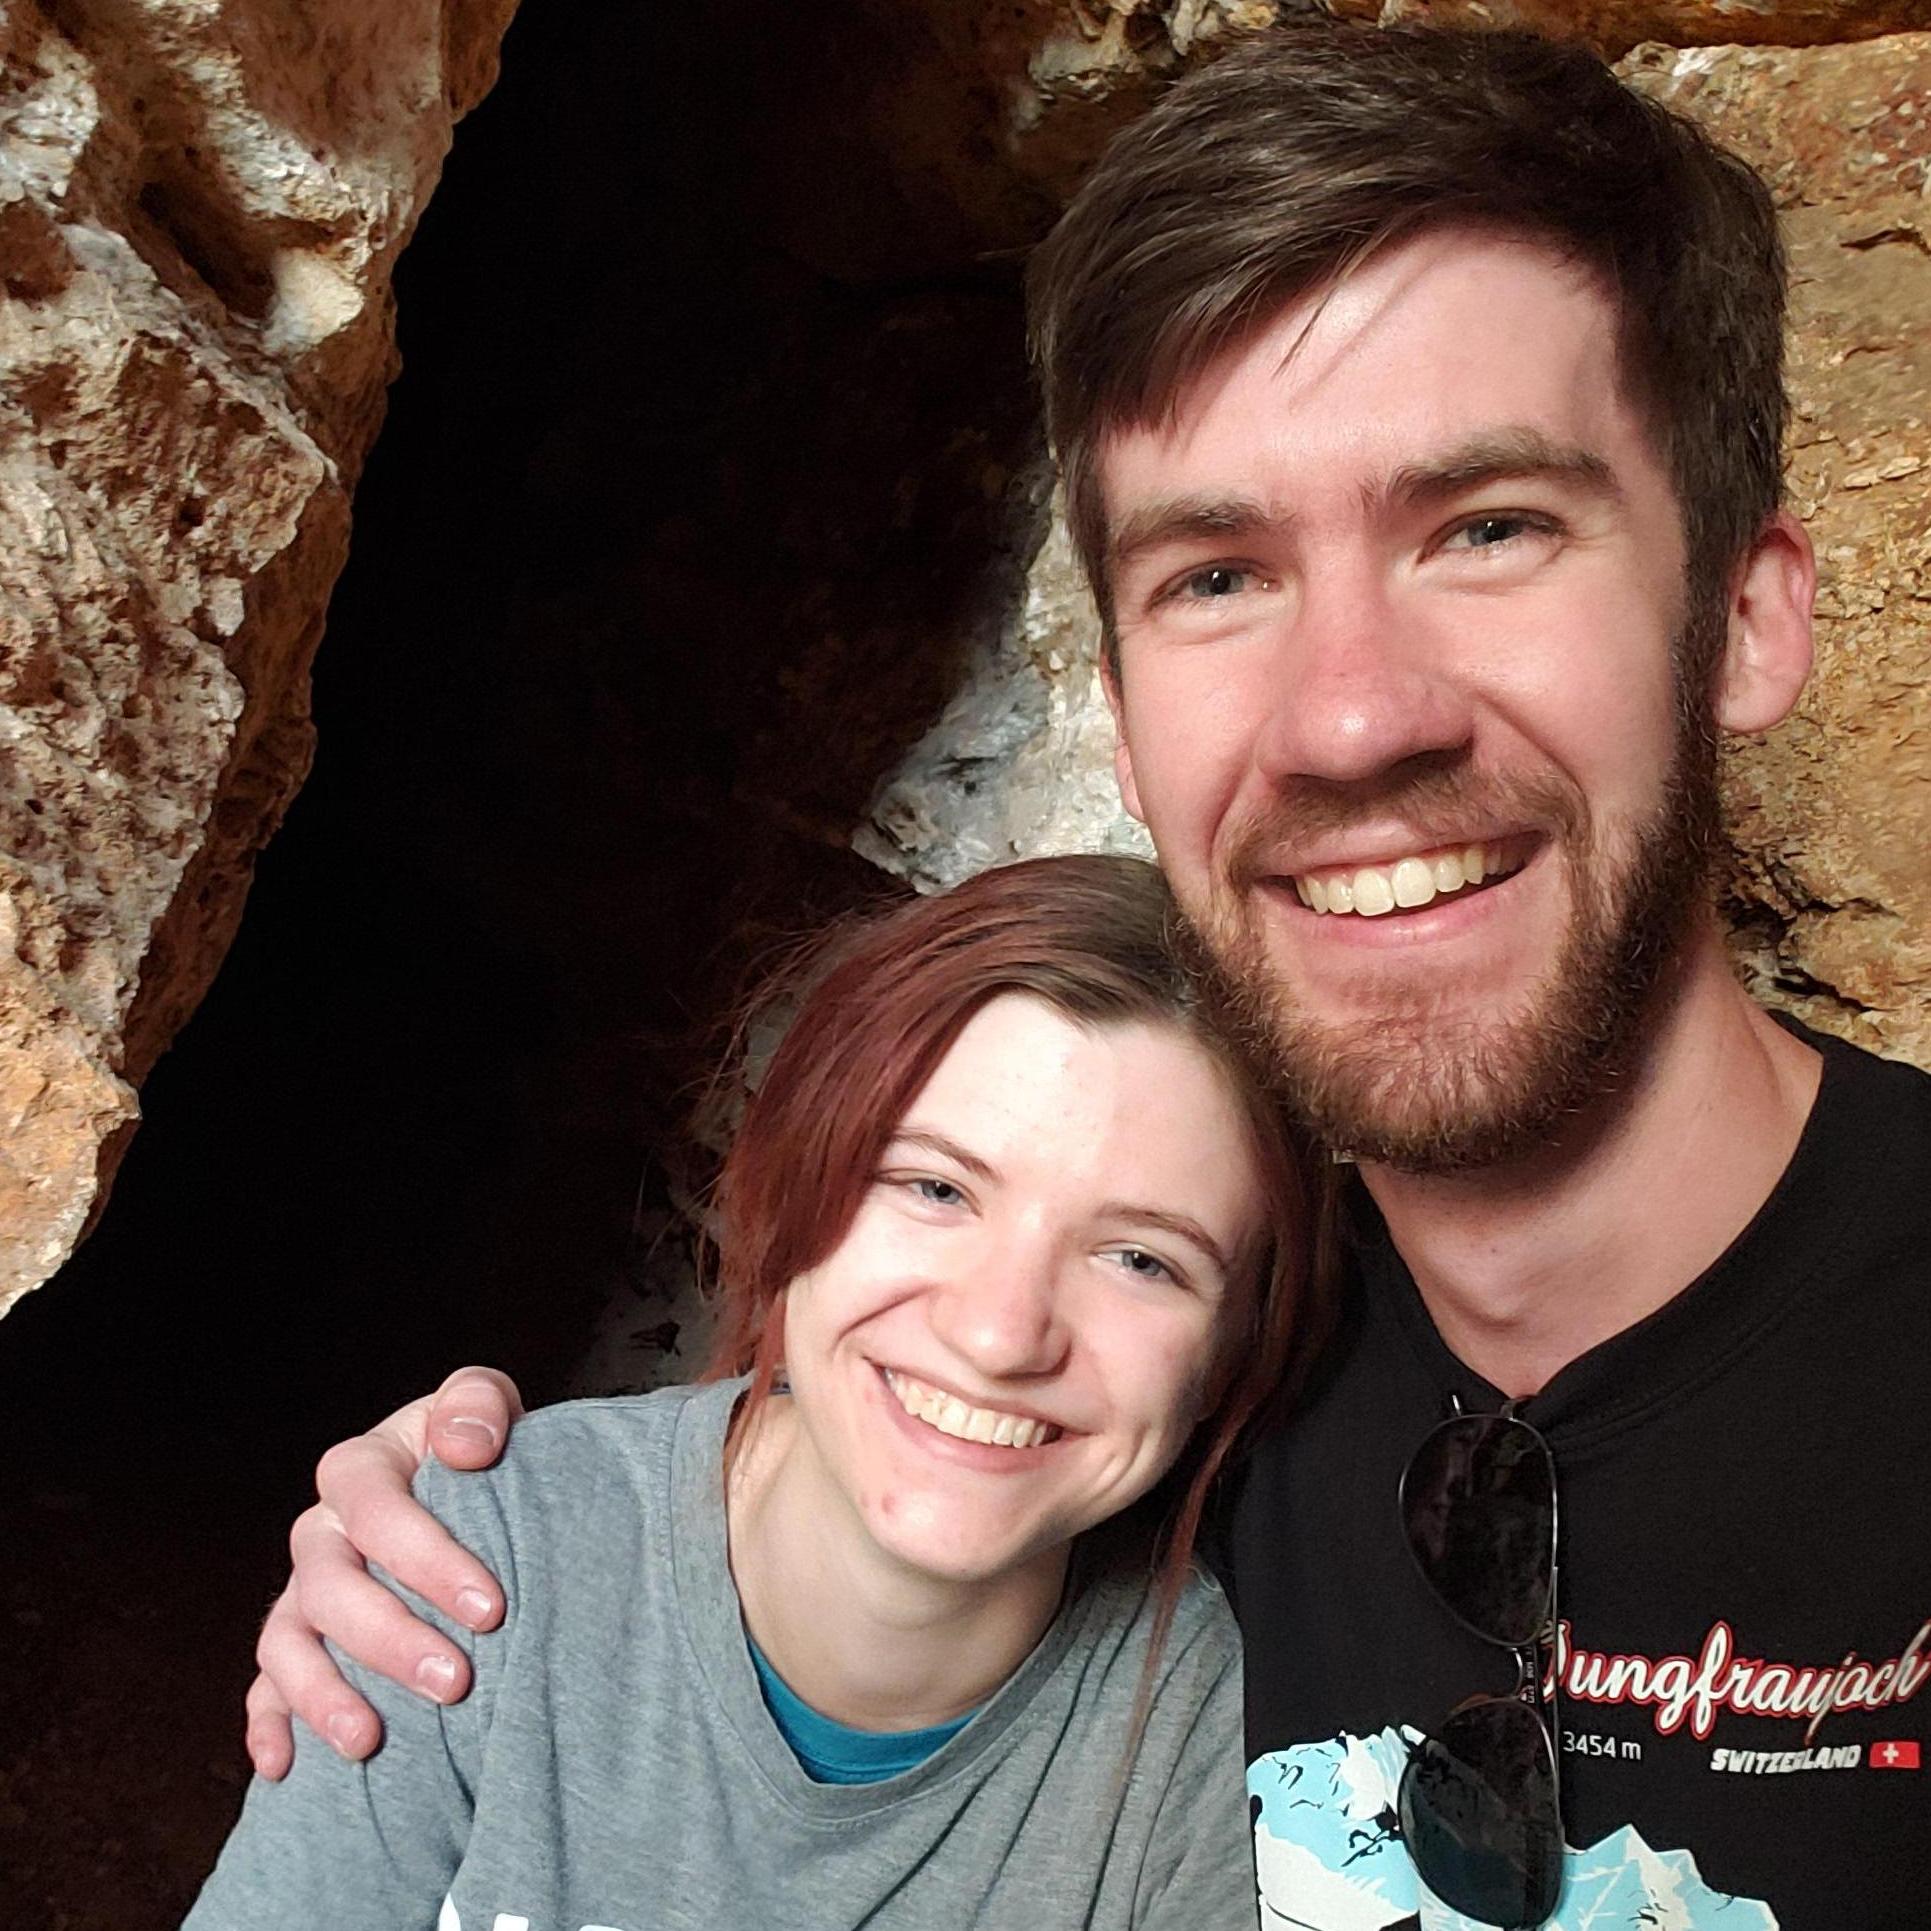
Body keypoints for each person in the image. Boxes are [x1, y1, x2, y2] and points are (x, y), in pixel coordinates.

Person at [241, 23, 1931, 1930]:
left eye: (1489, 527)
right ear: (1123, 729)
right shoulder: (1177, 1358)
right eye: (1216, 573)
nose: (1352, 714)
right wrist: (463, 1545)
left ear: (1746, 616)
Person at [188, 854, 1321, 1928]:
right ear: (793, 1190)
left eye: (1139, 1259)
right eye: (932, 1186)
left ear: (1228, 1351)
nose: (997, 1331)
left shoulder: (1211, 1742)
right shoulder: (487, 1555)